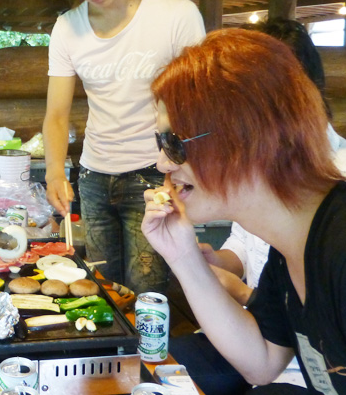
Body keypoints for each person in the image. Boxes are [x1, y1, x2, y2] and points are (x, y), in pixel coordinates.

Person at [143, 28, 346, 394]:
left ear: (247, 139)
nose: (162, 163)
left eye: (173, 143)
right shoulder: (289, 249)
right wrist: (182, 255)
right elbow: (261, 363)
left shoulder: (339, 243)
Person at [39, 0, 205, 293]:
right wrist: (54, 173)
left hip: (155, 175)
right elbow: (57, 115)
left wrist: (183, 174)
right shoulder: (67, 28)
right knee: (102, 290)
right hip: (94, 177)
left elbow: (197, 105)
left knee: (147, 294)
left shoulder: (176, 15)